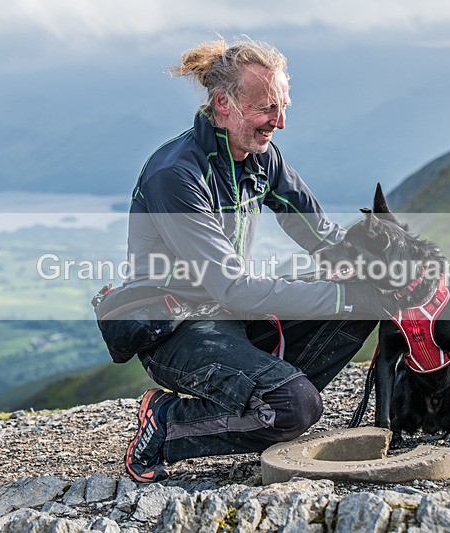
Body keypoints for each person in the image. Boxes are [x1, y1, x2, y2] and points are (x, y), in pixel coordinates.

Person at [121, 37, 390, 482]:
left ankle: (266, 395)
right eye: (267, 108)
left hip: (232, 316)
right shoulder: (176, 175)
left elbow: (323, 237)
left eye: (283, 106)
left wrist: (387, 276)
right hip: (176, 328)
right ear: (223, 103)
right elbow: (234, 288)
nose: (280, 122)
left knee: (366, 301)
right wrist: (344, 295)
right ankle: (168, 423)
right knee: (295, 408)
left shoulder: (262, 157)